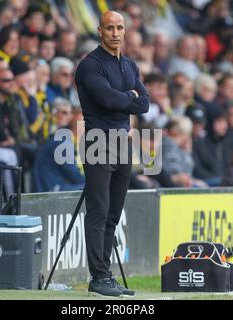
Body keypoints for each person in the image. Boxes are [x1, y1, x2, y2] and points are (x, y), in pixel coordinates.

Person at [75, 11, 149, 297]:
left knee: (113, 214)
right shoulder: (90, 66)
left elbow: (145, 104)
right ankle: (98, 278)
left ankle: (105, 275)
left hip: (122, 143)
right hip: (97, 142)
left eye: (120, 27)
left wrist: (128, 99)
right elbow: (107, 100)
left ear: (125, 30)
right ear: (100, 31)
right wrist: (129, 96)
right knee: (98, 211)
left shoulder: (129, 64)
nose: (115, 33)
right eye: (110, 28)